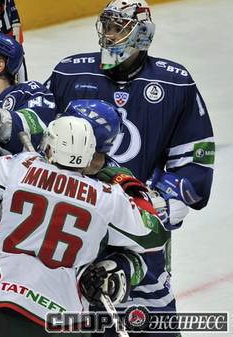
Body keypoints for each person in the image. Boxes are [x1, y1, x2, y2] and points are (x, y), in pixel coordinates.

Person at [0, 115, 167, 337]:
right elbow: (155, 235)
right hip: (61, 317)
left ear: (50, 148)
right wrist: (131, 187)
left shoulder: (21, 166)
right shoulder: (107, 197)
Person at [45, 0, 215, 227]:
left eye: (119, 29)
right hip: (75, 208)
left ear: (143, 34)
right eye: (107, 27)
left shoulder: (176, 84)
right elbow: (41, 135)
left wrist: (172, 196)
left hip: (139, 213)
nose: (109, 35)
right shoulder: (68, 74)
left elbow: (194, 153)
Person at [65, 99, 177, 337]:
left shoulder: (121, 187)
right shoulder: (65, 174)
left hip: (145, 310)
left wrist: (118, 267)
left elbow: (153, 250)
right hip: (92, 312)